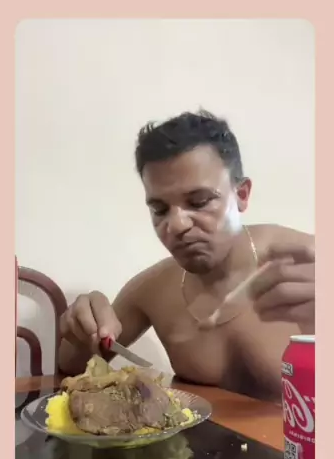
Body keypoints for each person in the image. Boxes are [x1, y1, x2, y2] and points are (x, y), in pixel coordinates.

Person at [58, 111, 314, 401]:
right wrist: (82, 329)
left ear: (241, 194)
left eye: (199, 201)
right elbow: (70, 367)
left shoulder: (308, 265)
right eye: (159, 209)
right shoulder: (154, 289)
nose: (176, 224)